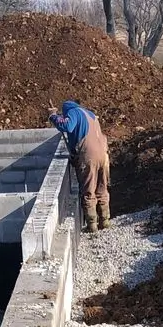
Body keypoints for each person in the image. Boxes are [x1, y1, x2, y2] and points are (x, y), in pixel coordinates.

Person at [49, 100, 110, 233]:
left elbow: (68, 126)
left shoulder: (72, 112)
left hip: (90, 156)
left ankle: (92, 225)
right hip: (104, 154)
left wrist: (53, 117)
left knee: (88, 190)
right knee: (102, 187)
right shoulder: (90, 114)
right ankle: (105, 221)